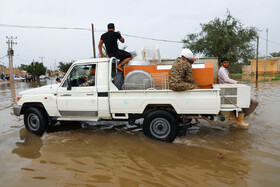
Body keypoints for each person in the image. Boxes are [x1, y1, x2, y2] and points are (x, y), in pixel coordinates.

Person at [218, 57, 258, 127]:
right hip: (226, 89)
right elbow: (226, 79)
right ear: (221, 63)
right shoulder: (222, 70)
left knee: (239, 101)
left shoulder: (224, 70)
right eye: (225, 62)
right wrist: (237, 82)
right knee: (250, 102)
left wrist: (236, 83)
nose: (226, 64)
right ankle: (240, 119)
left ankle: (233, 117)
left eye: (227, 62)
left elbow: (227, 80)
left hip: (227, 89)